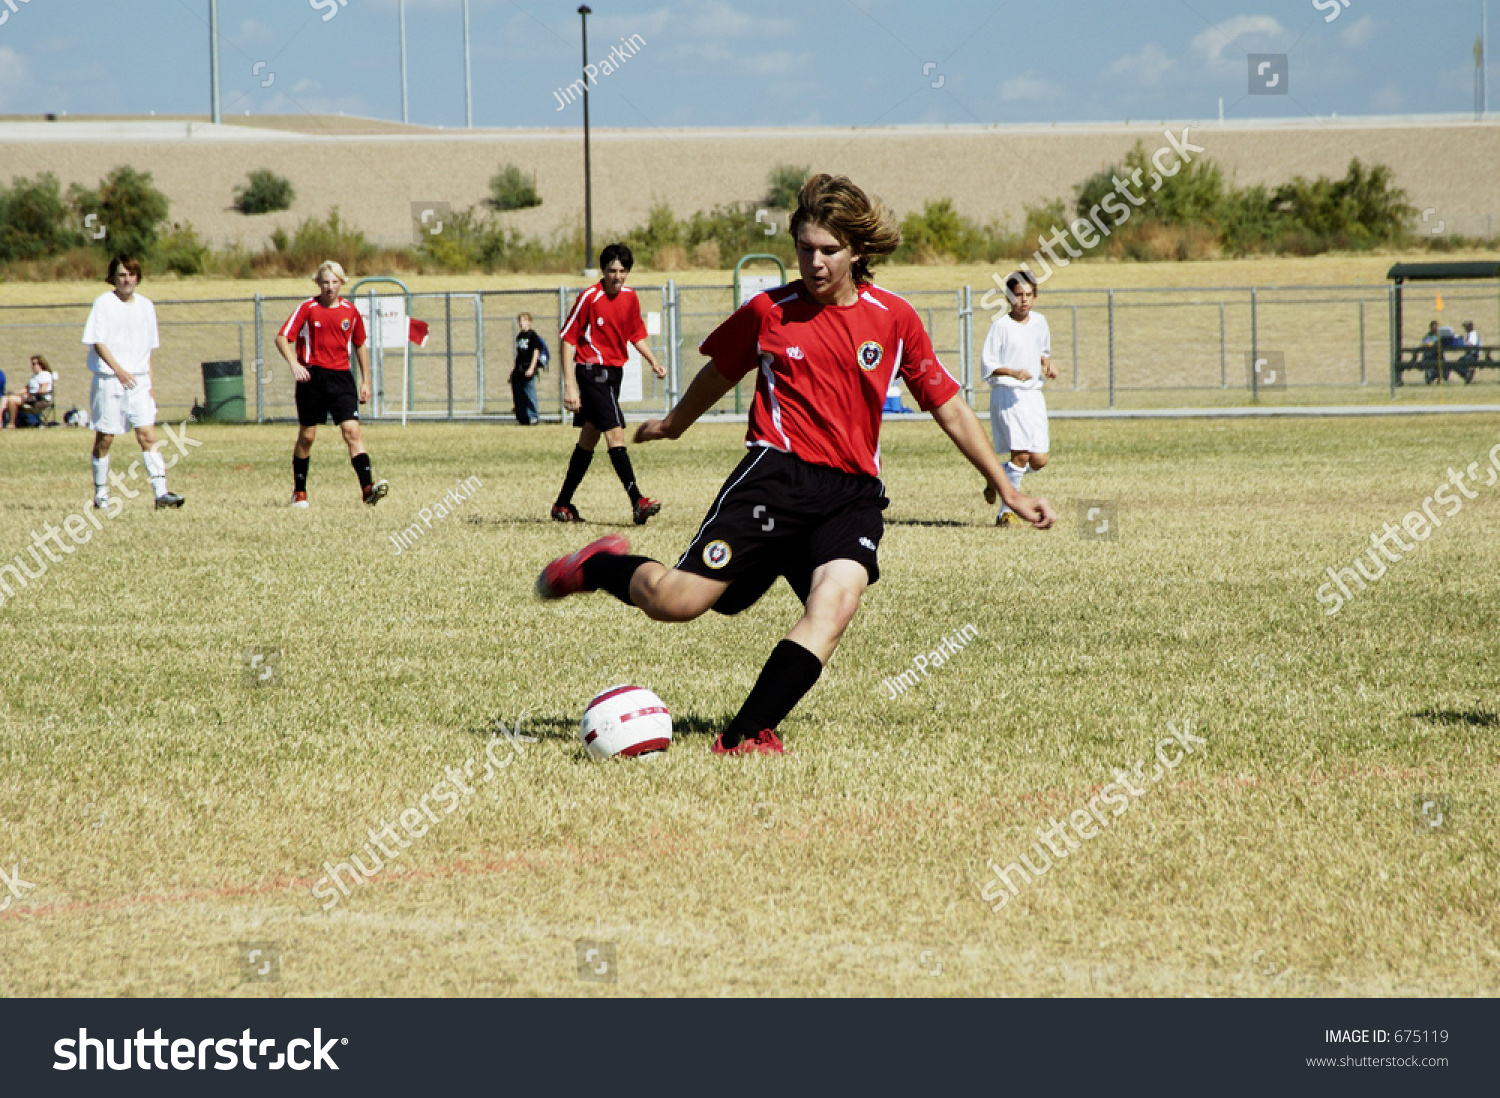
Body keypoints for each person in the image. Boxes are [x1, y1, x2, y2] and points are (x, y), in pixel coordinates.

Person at [536, 174, 1056, 755]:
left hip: (851, 494)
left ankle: (744, 735)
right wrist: (676, 423)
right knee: (677, 603)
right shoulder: (769, 311)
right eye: (804, 248)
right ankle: (600, 565)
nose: (814, 262)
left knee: (836, 601)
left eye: (828, 250)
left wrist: (1004, 487)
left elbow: (949, 405)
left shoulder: (894, 318)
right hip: (774, 481)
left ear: (857, 250)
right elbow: (720, 372)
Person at [551, 243, 667, 524]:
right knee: (615, 434)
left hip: (614, 374)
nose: (617, 276)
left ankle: (562, 504)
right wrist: (569, 386)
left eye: (623, 271)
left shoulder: (630, 298)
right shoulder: (589, 298)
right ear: (603, 271)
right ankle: (637, 500)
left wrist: (653, 360)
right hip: (592, 373)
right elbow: (567, 339)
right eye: (612, 270)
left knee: (589, 437)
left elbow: (635, 333)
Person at [274, 260, 388, 508]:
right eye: (325, 282)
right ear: (318, 282)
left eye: (335, 282)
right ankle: (300, 492)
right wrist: (294, 363)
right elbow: (282, 337)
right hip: (312, 378)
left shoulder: (350, 311)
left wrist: (366, 380)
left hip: (341, 378)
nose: (330, 287)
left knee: (353, 432)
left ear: (341, 283)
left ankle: (367, 488)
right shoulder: (307, 308)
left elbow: (359, 344)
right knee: (307, 436)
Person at [83, 256, 184, 509]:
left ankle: (161, 494)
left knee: (148, 435)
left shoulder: (146, 306)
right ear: (113, 278)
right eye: (121, 275)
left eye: (131, 274)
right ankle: (101, 495)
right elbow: (98, 342)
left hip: (138, 382)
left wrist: (149, 385)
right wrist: (118, 370)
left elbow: (148, 350)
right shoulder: (103, 304)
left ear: (137, 277)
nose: (127, 280)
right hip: (109, 381)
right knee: (105, 438)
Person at [980, 271, 1056, 527]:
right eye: (1018, 295)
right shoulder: (1000, 327)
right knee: (1021, 455)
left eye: (1028, 295)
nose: (1023, 300)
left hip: (1033, 396)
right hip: (1008, 395)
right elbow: (988, 366)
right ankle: (1006, 513)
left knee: (1039, 460)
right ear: (1009, 297)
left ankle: (997, 477)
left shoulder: (1040, 323)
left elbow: (1041, 351)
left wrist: (1047, 364)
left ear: (1035, 297)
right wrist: (1012, 371)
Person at [1, 355, 54, 429]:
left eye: (34, 364)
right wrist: (13, 393)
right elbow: (26, 389)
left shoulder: (45, 374)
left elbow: (44, 389)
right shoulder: (34, 376)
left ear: (41, 364)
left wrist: (30, 395)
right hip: (31, 399)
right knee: (6, 398)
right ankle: (2, 422)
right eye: (32, 364)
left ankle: (11, 424)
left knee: (11, 400)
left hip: (40, 401)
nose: (32, 366)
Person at [512, 312, 545, 425]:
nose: (521, 323)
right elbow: (518, 355)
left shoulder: (533, 336)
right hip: (519, 370)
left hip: (529, 368)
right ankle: (522, 417)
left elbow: (536, 352)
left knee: (529, 393)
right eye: (520, 321)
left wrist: (531, 368)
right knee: (519, 394)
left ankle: (533, 416)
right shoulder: (519, 337)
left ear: (529, 322)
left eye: (524, 321)